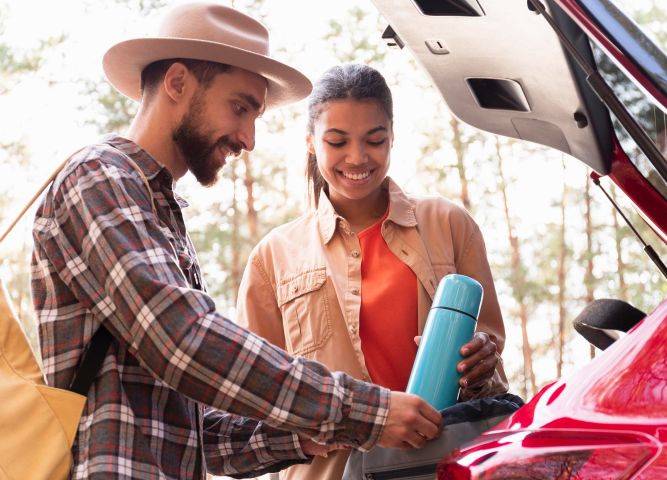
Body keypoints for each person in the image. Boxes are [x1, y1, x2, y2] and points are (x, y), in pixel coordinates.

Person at [30, 5, 441, 479]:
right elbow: (184, 340)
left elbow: (196, 434)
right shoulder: (98, 177)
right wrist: (366, 411)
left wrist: (301, 434)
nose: (248, 138)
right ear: (178, 83)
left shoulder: (158, 212)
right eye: (241, 107)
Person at [235, 63, 510, 480]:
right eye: (337, 141)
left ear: (393, 138)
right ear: (311, 143)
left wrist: (481, 361)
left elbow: (491, 358)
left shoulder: (448, 224)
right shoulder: (272, 257)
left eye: (374, 140)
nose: (358, 157)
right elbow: (256, 400)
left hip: (438, 466)